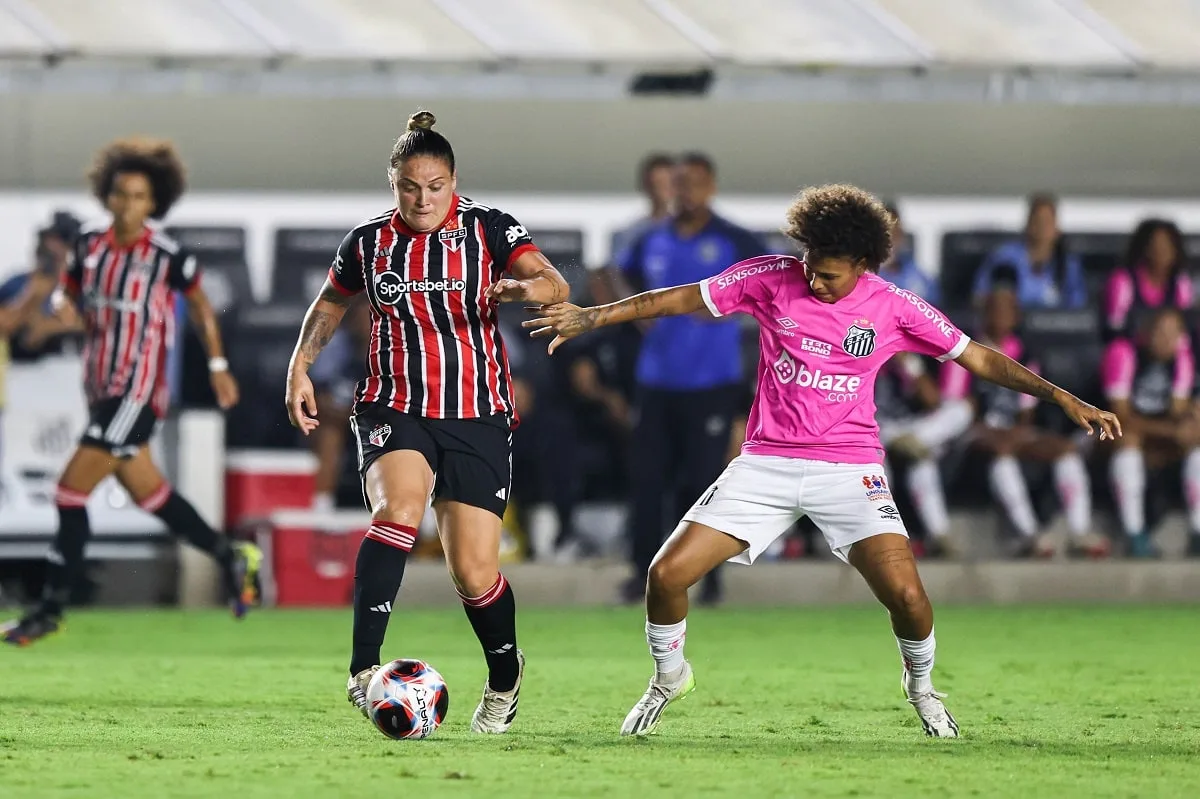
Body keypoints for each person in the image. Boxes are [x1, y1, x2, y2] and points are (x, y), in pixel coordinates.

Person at [524, 183, 1121, 739]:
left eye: (830, 275)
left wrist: (1063, 397)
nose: (815, 281)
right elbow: (680, 298)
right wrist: (592, 315)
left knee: (909, 599)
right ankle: (668, 677)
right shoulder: (771, 277)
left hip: (849, 470)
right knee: (665, 575)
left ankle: (923, 689)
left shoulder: (894, 307)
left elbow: (980, 358)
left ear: (864, 265)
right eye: (810, 265)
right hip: (764, 466)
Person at [284, 111, 569, 734]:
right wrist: (300, 367)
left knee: (473, 571)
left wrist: (526, 291)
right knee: (398, 513)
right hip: (394, 402)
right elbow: (332, 301)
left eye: (435, 186)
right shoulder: (367, 242)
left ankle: (504, 675)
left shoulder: (490, 229)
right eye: (411, 186)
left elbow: (553, 283)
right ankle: (364, 670)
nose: (423, 198)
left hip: (476, 411)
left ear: (453, 182)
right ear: (394, 183)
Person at [0, 138, 260, 646]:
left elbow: (202, 307)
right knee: (151, 494)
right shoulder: (90, 248)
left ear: (153, 202)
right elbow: (67, 294)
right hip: (100, 390)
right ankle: (231, 555)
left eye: (139, 196)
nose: (127, 205)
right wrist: (60, 305)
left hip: (137, 394)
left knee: (69, 491)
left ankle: (48, 609)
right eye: (120, 194)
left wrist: (218, 365)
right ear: (108, 195)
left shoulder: (166, 256)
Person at [612, 153, 767, 606]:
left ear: (711, 186)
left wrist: (735, 310)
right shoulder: (649, 239)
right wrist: (634, 311)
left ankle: (708, 579)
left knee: (704, 484)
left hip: (712, 383)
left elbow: (772, 287)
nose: (685, 193)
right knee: (647, 482)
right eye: (678, 184)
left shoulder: (735, 239)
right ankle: (641, 574)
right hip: (656, 381)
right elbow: (615, 275)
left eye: (694, 184)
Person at [942, 281, 1105, 559]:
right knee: (1001, 453)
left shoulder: (1026, 354)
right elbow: (953, 409)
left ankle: (1079, 532)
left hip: (1014, 431)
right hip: (972, 435)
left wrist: (1017, 435)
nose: (1001, 316)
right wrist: (995, 435)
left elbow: (1026, 412)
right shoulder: (964, 350)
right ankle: (1030, 535)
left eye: (1008, 310)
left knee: (1065, 450)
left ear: (1017, 316)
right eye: (994, 309)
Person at [1102, 308, 1200, 557]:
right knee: (1128, 441)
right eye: (1161, 332)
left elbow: (1178, 412)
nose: (1168, 340)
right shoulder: (1123, 352)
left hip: (1155, 440)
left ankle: (1198, 529)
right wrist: (1172, 432)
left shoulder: (1182, 359)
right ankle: (1135, 534)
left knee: (1195, 441)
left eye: (1174, 333)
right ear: (1146, 333)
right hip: (1102, 437)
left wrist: (1190, 421)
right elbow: (1119, 417)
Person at [875, 353, 972, 558]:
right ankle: (880, 535)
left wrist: (909, 365)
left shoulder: (912, 362)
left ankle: (915, 443)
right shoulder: (862, 354)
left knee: (961, 411)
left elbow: (932, 399)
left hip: (913, 430)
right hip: (875, 429)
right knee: (883, 466)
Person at [972, 193, 1088, 309]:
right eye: (1037, 221)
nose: (1042, 228)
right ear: (1027, 225)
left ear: (1057, 229)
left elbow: (1077, 306)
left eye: (1047, 222)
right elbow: (979, 296)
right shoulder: (1005, 257)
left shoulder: (1068, 264)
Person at [1103, 218, 1192, 342]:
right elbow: (1115, 326)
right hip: (1132, 349)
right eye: (1155, 245)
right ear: (1144, 248)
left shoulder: (1180, 282)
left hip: (1171, 351)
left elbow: (1185, 327)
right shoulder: (1123, 280)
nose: (1161, 252)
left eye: (1167, 246)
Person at [879, 203, 938, 301]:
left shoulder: (918, 277)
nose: (890, 242)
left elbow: (933, 302)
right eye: (885, 235)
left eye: (895, 234)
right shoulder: (860, 276)